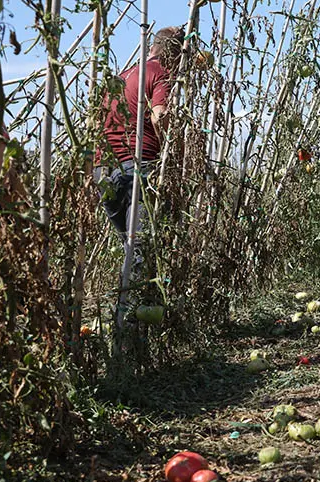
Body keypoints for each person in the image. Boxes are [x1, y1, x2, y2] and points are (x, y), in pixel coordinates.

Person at [98, 26, 183, 318]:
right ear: (174, 54)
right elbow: (161, 115)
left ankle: (136, 321)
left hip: (104, 171)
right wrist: (175, 153)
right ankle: (122, 322)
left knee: (131, 248)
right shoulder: (160, 72)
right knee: (139, 249)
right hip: (138, 165)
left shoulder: (123, 76)